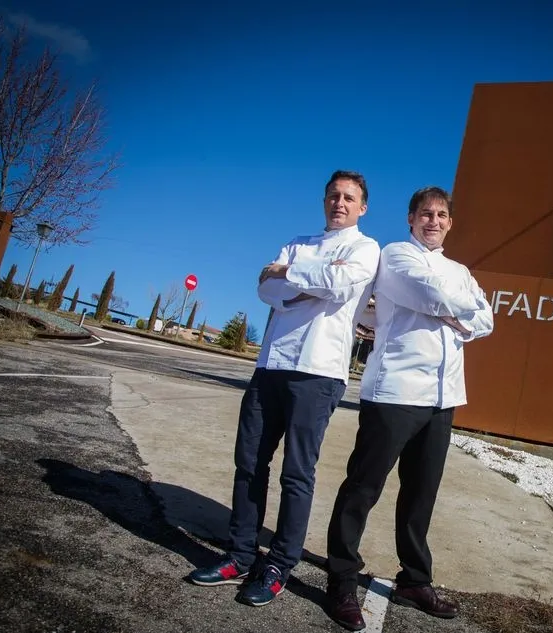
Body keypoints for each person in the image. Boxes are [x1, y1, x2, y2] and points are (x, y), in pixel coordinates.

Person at [187, 170, 380, 609]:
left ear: (362, 207)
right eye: (333, 195)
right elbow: (267, 289)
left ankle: (278, 565)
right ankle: (239, 555)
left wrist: (289, 274)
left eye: (349, 198)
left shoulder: (366, 248)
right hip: (270, 366)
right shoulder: (298, 242)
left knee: (297, 473)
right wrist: (303, 283)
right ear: (324, 200)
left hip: (318, 372)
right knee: (249, 463)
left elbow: (338, 286)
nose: (340, 203)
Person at [324, 186, 495, 631]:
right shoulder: (396, 255)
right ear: (411, 218)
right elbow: (431, 294)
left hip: (443, 397)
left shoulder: (459, 270)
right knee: (363, 487)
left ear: (450, 223)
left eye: (440, 215)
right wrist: (461, 308)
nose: (432, 221)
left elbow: (487, 319)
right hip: (395, 391)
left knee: (421, 494)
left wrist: (457, 311)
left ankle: (414, 580)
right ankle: (341, 581)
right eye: (425, 213)